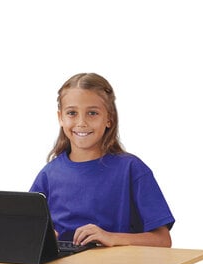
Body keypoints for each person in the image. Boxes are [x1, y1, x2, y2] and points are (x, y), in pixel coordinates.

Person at [30, 73, 174, 247]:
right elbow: (25, 229)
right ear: (60, 117)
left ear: (109, 119)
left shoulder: (131, 169)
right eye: (72, 113)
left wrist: (112, 238)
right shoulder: (49, 174)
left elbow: (163, 240)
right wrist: (40, 237)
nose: (81, 122)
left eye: (92, 113)